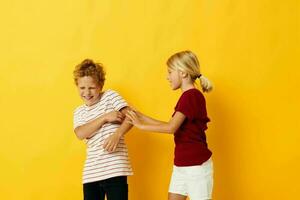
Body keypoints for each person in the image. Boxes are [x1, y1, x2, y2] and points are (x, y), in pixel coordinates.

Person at [126, 50, 214, 200]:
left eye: (170, 72)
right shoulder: (187, 97)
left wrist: (140, 125)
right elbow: (171, 125)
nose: (167, 77)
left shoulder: (191, 96)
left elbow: (170, 128)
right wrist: (141, 116)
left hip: (196, 167)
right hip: (181, 165)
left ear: (183, 73)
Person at [73, 59, 133, 200]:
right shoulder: (79, 112)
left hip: (115, 169)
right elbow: (80, 133)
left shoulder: (110, 96)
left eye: (92, 87)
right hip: (91, 173)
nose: (87, 92)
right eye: (82, 88)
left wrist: (117, 135)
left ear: (100, 86)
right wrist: (105, 117)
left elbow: (131, 116)